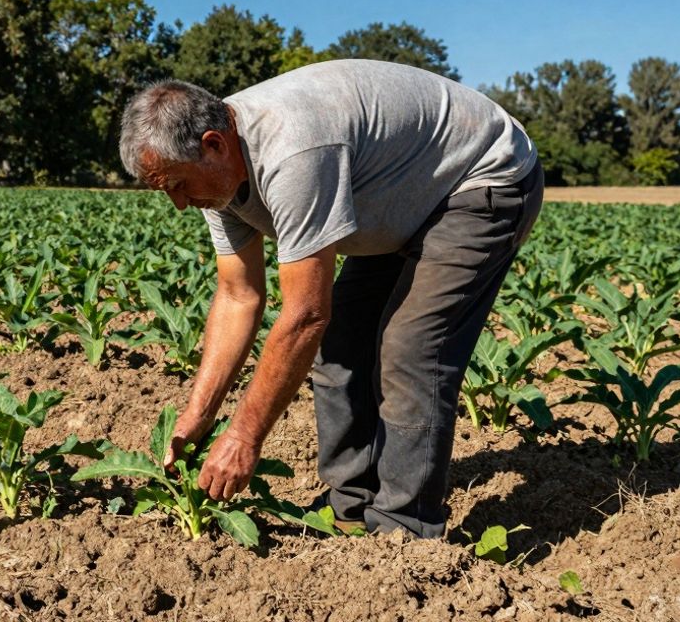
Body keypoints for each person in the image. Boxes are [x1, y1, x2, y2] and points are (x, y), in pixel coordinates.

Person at [118, 59, 542, 538]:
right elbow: (239, 296)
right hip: (398, 200)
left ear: (213, 145)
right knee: (344, 341)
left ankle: (405, 528)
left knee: (411, 348)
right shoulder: (215, 177)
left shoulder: (291, 150)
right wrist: (197, 417)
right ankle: (351, 505)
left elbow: (304, 316)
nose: (178, 203)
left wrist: (243, 436)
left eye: (177, 185)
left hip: (481, 178)